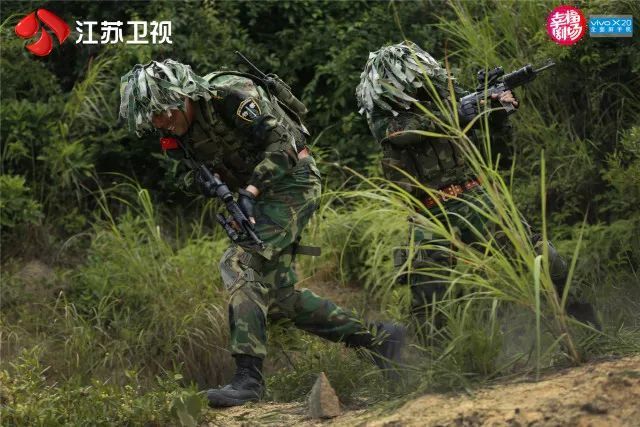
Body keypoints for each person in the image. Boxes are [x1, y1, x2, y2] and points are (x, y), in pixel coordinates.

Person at [119, 59, 404, 408]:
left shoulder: (231, 96)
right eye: (152, 118)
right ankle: (379, 340)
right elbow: (181, 176)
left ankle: (248, 379)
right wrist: (206, 183)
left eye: (164, 112)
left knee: (239, 262)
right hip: (251, 196)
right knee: (280, 300)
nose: (161, 122)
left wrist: (250, 192)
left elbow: (284, 145)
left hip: (292, 181)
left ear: (183, 96)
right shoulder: (174, 134)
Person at [356, 41, 597, 329]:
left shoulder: (446, 97)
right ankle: (437, 367)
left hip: (475, 195)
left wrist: (497, 111)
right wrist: (460, 111)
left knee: (543, 258)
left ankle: (586, 323)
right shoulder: (385, 118)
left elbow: (495, 147)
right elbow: (406, 131)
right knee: (428, 295)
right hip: (429, 213)